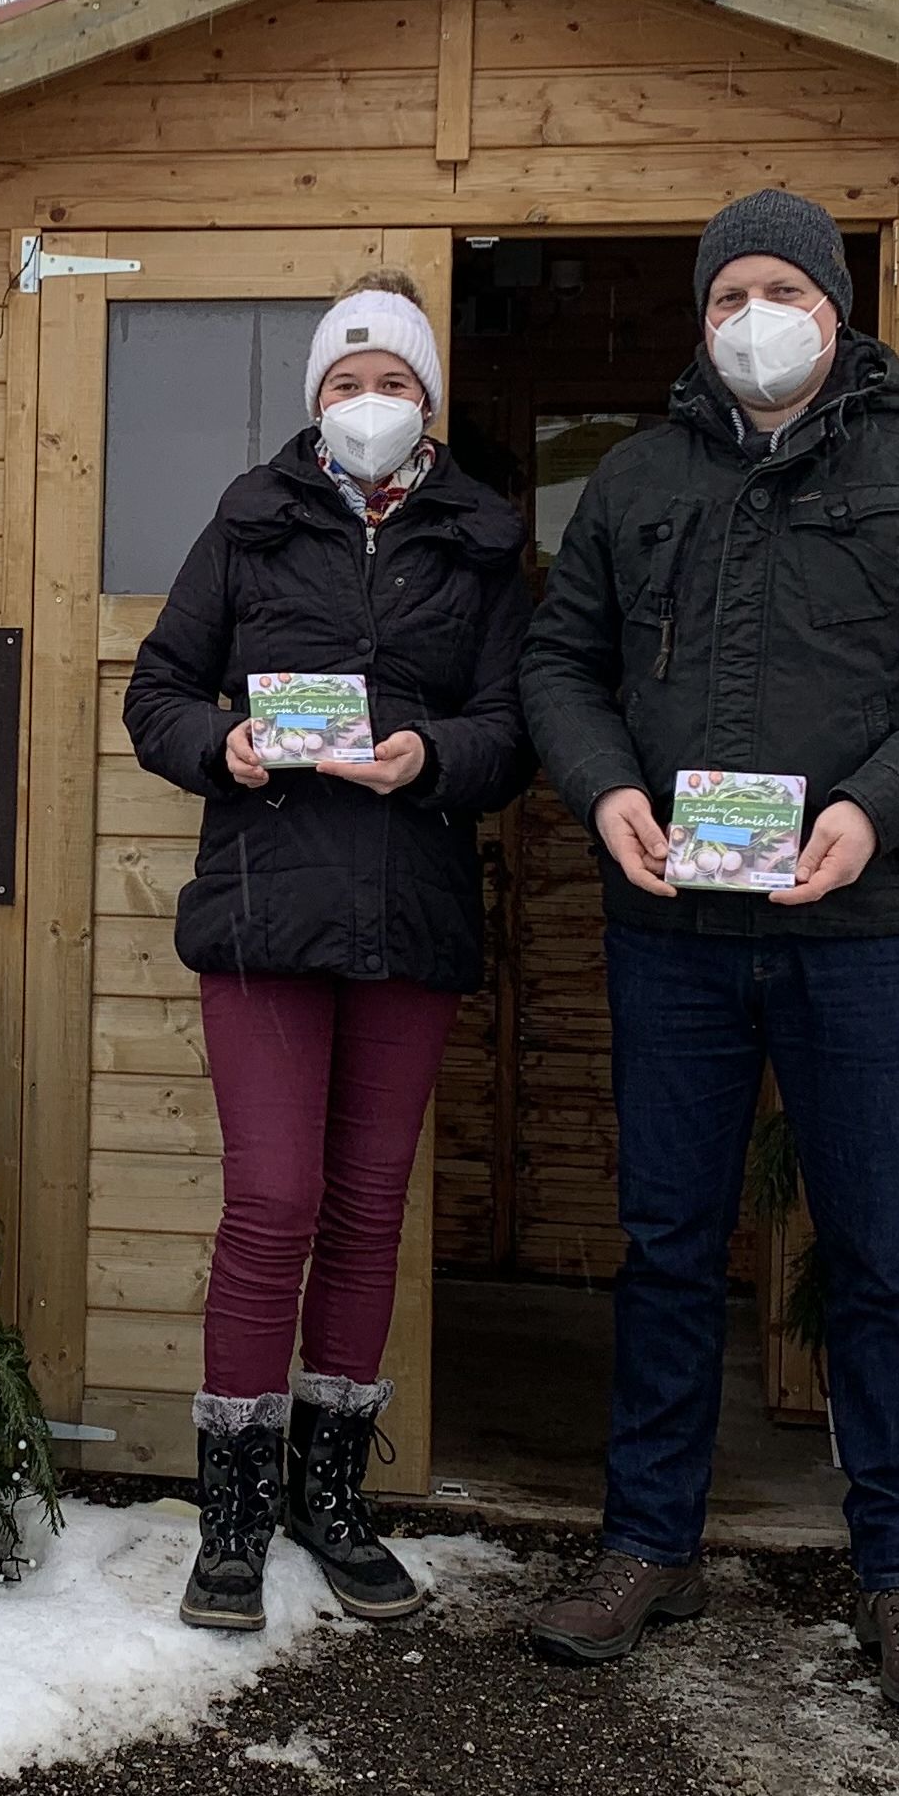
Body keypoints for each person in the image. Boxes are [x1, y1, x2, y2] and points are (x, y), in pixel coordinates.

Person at [517, 191, 899, 1713]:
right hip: (671, 934)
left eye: (779, 290)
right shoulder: (633, 482)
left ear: (835, 309)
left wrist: (879, 809)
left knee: (877, 1260)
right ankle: (648, 1543)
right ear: (700, 323)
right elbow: (558, 662)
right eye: (723, 297)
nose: (749, 318)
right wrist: (605, 788)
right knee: (667, 1251)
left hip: (860, 932)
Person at [126, 272, 532, 1633]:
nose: (370, 405)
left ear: (428, 402)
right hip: (261, 913)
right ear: (316, 399)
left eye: (395, 383)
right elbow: (157, 691)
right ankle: (232, 1517)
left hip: (409, 911)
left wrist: (433, 756)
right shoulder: (246, 523)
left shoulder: (482, 541)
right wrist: (220, 747)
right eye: (347, 383)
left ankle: (332, 1499)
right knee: (273, 1205)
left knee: (367, 1209)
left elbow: (514, 729)